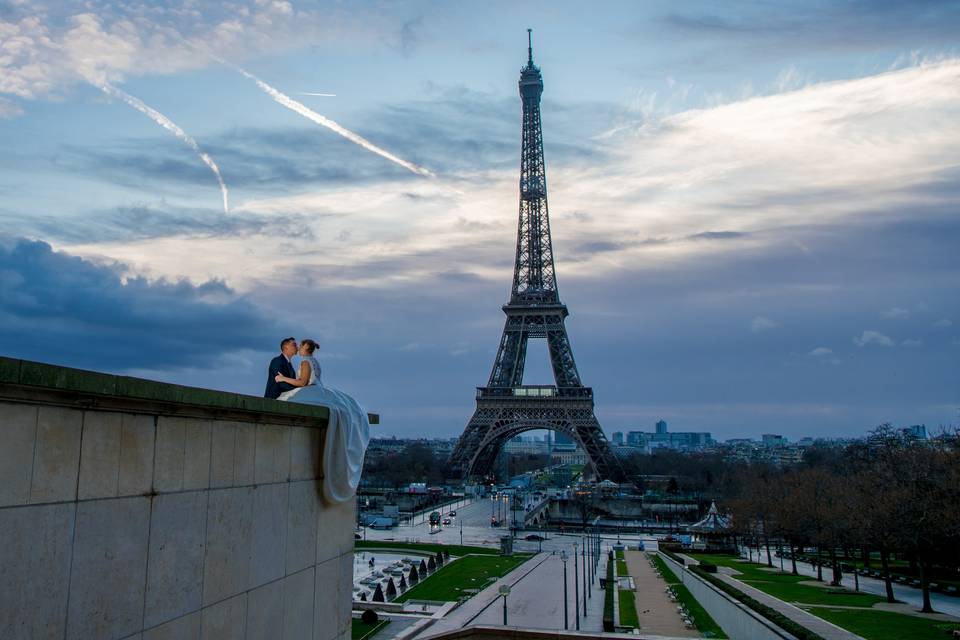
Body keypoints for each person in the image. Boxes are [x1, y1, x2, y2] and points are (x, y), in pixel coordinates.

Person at [274, 337, 370, 505]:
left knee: (284, 400)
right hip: (319, 389)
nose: (297, 348)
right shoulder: (314, 361)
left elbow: (302, 382)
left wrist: (283, 379)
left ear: (305, 348)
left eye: (299, 346)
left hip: (309, 390)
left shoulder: (304, 362)